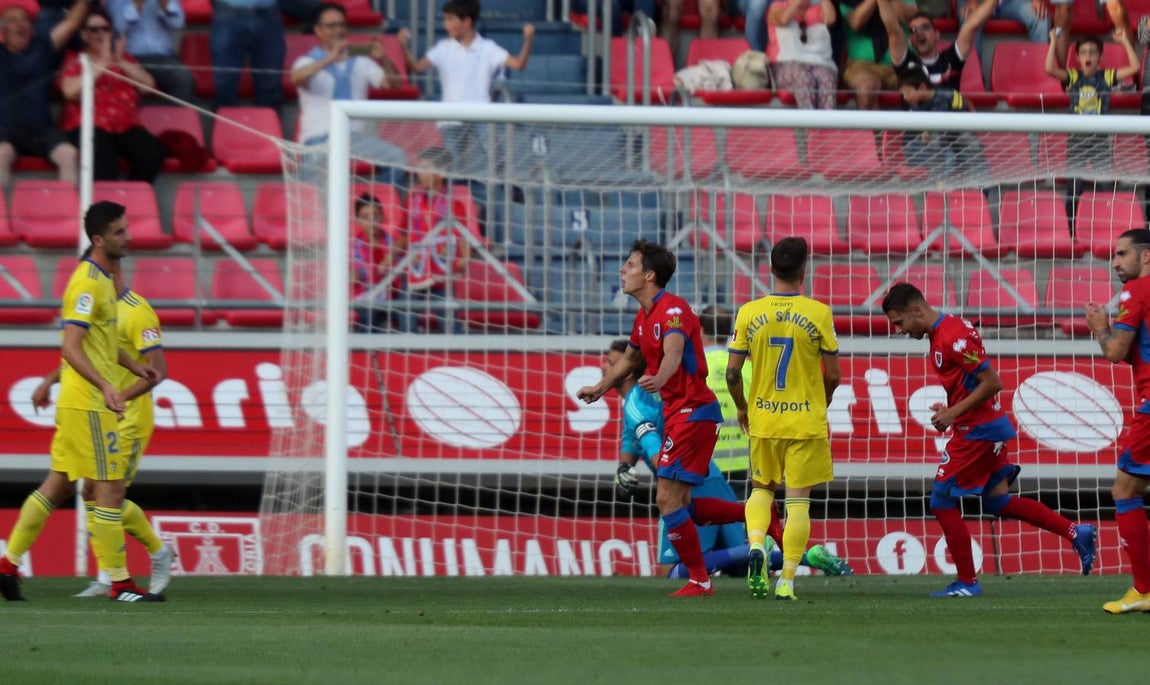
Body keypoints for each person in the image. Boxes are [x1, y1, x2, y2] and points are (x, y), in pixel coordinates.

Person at [882, 282, 1097, 597]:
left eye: (899, 322)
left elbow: (993, 382)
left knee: (941, 501)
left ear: (917, 310)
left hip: (978, 431)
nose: (898, 330)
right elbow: (971, 382)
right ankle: (1075, 531)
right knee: (997, 501)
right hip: (987, 426)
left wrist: (954, 412)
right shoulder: (947, 331)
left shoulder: (952, 338)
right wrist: (953, 405)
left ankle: (968, 582)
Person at [0, 201, 164, 602]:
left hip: (80, 402)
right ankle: (122, 585)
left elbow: (100, 343)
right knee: (108, 491)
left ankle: (6, 564)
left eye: (127, 229)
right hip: (90, 404)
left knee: (56, 486)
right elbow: (72, 347)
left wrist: (132, 365)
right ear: (98, 239)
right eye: (120, 232)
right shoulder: (88, 283)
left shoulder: (103, 281)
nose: (128, 237)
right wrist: (107, 387)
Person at [602, 339, 853, 579]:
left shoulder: (637, 402)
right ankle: (809, 556)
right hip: (710, 475)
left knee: (672, 571)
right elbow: (630, 441)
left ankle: (759, 542)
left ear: (626, 372)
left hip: (686, 481)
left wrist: (656, 479)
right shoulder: (645, 400)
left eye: (611, 363)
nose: (604, 366)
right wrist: (625, 466)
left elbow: (654, 451)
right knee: (740, 568)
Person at [578, 240, 739, 597]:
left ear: (649, 275)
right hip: (680, 413)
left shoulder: (673, 310)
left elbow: (674, 351)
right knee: (680, 504)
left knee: (667, 500)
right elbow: (631, 360)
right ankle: (756, 516)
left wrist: (663, 377)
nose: (623, 270)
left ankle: (700, 579)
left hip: (694, 412)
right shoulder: (643, 316)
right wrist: (601, 387)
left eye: (630, 264)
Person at [31, 262, 176, 598]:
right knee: (90, 494)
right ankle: (111, 576)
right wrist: (50, 381)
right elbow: (83, 353)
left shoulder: (138, 312)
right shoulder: (101, 307)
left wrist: (121, 395)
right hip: (105, 412)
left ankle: (156, 553)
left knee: (107, 495)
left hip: (131, 418)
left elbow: (159, 370)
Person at [726, 237, 841, 601]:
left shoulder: (748, 312)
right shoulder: (818, 312)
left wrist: (742, 407)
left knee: (761, 489)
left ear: (770, 269)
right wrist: (822, 401)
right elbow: (834, 374)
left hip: (763, 418)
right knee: (798, 502)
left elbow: (732, 373)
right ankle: (788, 579)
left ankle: (757, 544)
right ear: (803, 270)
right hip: (805, 422)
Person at [1085, 229, 1150, 613]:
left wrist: (1099, 329)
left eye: (1123, 254)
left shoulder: (1137, 291)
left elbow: (1115, 350)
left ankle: (1143, 590)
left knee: (1124, 492)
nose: (1115, 262)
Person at [398, 0, 534, 174]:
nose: (446, 25)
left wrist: (528, 41)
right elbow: (417, 67)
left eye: (450, 19)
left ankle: (508, 189)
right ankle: (459, 198)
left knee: (496, 157)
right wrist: (403, 47)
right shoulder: (443, 48)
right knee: (453, 166)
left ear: (467, 22)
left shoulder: (487, 48)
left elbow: (518, 64)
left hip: (481, 114)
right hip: (451, 116)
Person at [291, 2, 407, 182]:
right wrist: (330, 59)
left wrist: (383, 58)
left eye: (342, 25)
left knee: (397, 157)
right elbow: (296, 78)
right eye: (332, 26)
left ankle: (380, 206)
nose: (338, 30)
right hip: (319, 139)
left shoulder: (360, 61)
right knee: (311, 172)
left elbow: (394, 85)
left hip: (355, 140)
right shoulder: (307, 61)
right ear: (318, 30)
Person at [58, 9, 166, 183]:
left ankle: (131, 200)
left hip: (125, 124)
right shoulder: (75, 58)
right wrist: (102, 64)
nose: (101, 33)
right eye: (94, 29)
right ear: (84, 35)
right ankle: (103, 209)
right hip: (87, 124)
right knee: (105, 159)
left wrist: (120, 61)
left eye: (105, 29)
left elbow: (149, 86)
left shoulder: (125, 59)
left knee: (152, 153)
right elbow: (69, 91)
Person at [1044, 30, 1139, 225]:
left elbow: (1135, 66)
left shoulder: (1107, 76)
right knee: (1074, 186)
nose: (1088, 56)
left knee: (1105, 185)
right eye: (1084, 52)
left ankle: (1108, 225)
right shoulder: (1073, 76)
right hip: (1077, 141)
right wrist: (1053, 40)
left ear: (1100, 57)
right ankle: (1070, 229)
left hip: (1099, 141)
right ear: (1077, 57)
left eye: (1093, 52)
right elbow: (1049, 69)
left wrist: (1124, 41)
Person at [0, 0, 87, 188]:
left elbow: (71, 23)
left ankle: (68, 213)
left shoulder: (42, 47)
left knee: (68, 154)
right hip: (5, 129)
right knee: (1, 155)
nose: (20, 25)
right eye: (12, 21)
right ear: (2, 30)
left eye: (25, 20)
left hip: (42, 129)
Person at [400, 146, 480, 334]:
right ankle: (405, 350)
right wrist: (392, 255)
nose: (420, 172)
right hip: (416, 265)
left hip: (441, 268)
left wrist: (465, 257)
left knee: (447, 317)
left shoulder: (453, 203)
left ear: (440, 173)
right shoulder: (411, 200)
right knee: (406, 313)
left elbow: (462, 234)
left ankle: (457, 352)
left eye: (426, 168)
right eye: (420, 167)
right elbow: (404, 231)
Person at [878, 0, 996, 91]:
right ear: (910, 41)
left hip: (948, 122)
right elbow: (892, 29)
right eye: (913, 30)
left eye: (925, 27)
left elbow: (972, 26)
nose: (919, 32)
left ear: (936, 35)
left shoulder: (952, 59)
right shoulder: (905, 63)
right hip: (915, 123)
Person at [898, 68, 987, 179]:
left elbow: (966, 104)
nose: (905, 98)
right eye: (903, 95)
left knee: (973, 144)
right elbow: (925, 124)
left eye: (908, 93)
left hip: (957, 132)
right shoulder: (916, 106)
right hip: (939, 137)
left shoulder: (948, 95)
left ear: (922, 87)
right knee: (935, 144)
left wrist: (974, 120)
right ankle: (938, 184)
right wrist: (925, 131)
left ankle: (982, 185)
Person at [106, 0, 195, 102]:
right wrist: (136, 5)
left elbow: (178, 24)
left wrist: (165, 5)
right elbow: (118, 27)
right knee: (128, 83)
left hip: (163, 56)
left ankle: (172, 117)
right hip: (130, 56)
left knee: (184, 80)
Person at [839, 0, 916, 110]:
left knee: (918, 89)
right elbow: (855, 22)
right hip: (861, 65)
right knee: (866, 88)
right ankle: (876, 127)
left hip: (902, 64)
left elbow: (908, 16)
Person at [210, 0, 285, 112]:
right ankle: (224, 127)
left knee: (270, 85)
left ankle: (268, 128)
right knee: (224, 84)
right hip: (228, 13)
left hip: (268, 14)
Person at [767, 0, 839, 110]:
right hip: (785, 65)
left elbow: (830, 19)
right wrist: (796, 3)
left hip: (819, 63)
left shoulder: (818, 9)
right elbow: (783, 19)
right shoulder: (777, 7)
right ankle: (810, 125)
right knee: (804, 78)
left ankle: (827, 125)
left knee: (827, 79)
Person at [351, 191, 401, 332]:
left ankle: (410, 350)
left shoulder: (393, 243)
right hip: (367, 299)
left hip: (393, 298)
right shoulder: (352, 246)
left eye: (376, 216)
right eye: (366, 217)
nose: (372, 221)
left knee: (407, 316)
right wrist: (350, 276)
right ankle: (367, 351)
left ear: (383, 217)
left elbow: (403, 271)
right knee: (369, 318)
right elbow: (346, 274)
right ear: (358, 220)